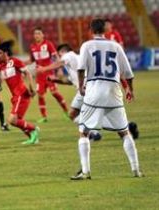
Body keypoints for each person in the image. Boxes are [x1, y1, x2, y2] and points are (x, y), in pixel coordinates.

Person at [70, 18, 143, 180]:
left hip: (94, 92)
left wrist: (81, 86)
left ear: (90, 30)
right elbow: (128, 73)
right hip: (113, 92)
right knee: (124, 132)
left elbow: (81, 69)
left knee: (83, 132)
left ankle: (86, 171)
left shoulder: (87, 45)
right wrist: (130, 90)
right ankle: (136, 170)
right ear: (106, 30)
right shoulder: (116, 46)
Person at [36, 43, 102, 141]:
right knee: (80, 114)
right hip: (89, 87)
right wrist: (55, 80)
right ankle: (94, 131)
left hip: (85, 89)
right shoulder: (75, 61)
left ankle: (94, 132)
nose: (58, 58)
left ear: (62, 52)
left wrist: (43, 69)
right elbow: (69, 81)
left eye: (59, 55)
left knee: (74, 114)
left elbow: (60, 63)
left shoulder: (68, 55)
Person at [25, 27, 68, 123]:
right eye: (35, 33)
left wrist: (60, 69)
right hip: (39, 75)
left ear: (43, 35)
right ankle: (44, 117)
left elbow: (56, 57)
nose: (36, 35)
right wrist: (23, 65)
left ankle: (66, 111)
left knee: (55, 93)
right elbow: (32, 61)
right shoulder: (32, 46)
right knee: (40, 95)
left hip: (49, 73)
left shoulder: (48, 44)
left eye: (39, 33)